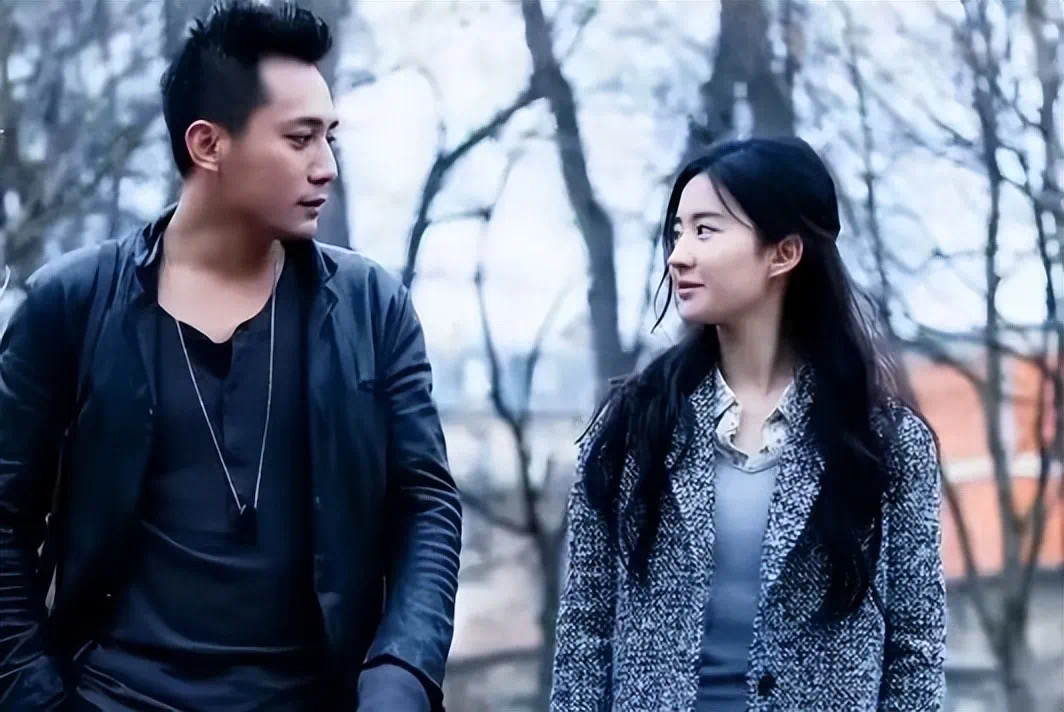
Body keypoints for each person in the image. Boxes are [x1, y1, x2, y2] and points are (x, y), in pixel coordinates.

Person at [0, 2, 461, 711]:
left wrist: (400, 677)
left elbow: (427, 507)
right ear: (208, 144)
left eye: (330, 137)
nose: (327, 167)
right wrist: (35, 696)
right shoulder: (74, 304)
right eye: (300, 139)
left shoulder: (372, 309)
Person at [550, 137, 946, 711]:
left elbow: (916, 647)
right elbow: (585, 632)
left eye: (705, 231)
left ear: (783, 253)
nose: (679, 255)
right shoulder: (634, 427)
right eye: (677, 232)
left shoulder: (884, 443)